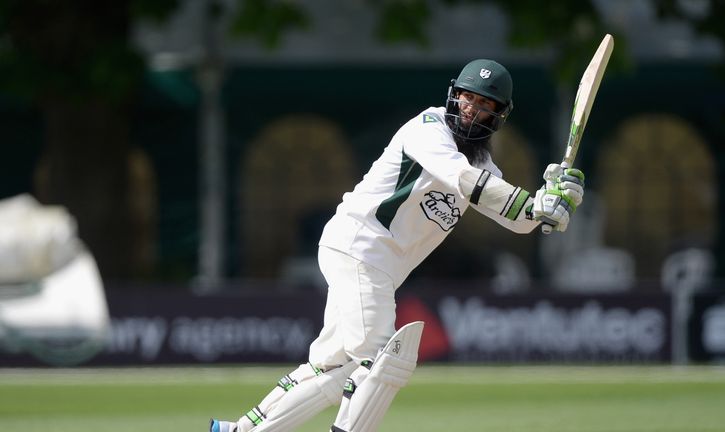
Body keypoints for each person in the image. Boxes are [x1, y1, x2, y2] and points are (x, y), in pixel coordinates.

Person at [210, 59, 585, 432]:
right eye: (469, 98)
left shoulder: (484, 164)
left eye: (486, 104)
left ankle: (241, 430)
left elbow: (515, 218)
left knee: (333, 367)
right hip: (360, 247)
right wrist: (532, 203)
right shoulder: (427, 129)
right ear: (454, 96)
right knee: (382, 361)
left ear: (499, 115)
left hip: (375, 265)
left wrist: (549, 204)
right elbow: (462, 177)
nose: (474, 109)